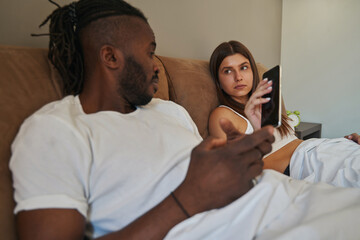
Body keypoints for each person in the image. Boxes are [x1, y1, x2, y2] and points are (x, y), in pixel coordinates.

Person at [9, 1, 360, 239]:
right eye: (149, 52)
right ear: (110, 57)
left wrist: (239, 158)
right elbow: (196, 187)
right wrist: (187, 198)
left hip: (289, 197)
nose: (156, 64)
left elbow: (205, 172)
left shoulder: (169, 112)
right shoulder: (55, 129)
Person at [209, 40, 360, 187]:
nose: (238, 77)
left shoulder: (266, 103)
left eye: (244, 67)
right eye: (228, 71)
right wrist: (257, 130)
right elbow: (230, 170)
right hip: (303, 166)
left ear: (252, 71)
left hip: (320, 151)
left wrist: (344, 143)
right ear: (218, 81)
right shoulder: (222, 115)